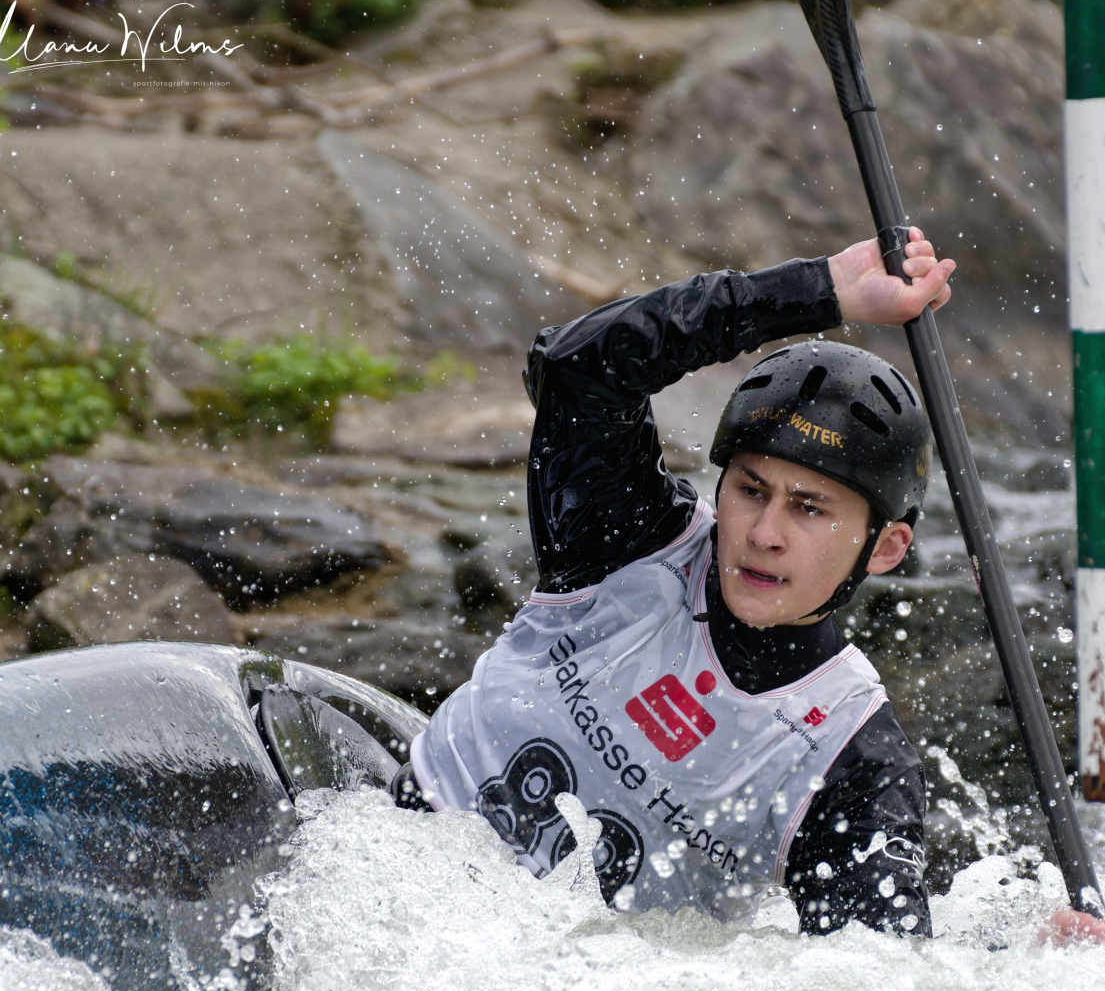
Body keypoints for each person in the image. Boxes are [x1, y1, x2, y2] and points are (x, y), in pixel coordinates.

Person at [393, 230, 957, 935]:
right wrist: (815, 291)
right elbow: (578, 365)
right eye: (751, 490)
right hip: (396, 860)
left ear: (885, 548)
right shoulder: (627, 542)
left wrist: (1044, 961)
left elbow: (881, 986)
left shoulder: (850, 759)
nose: (763, 533)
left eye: (808, 508)